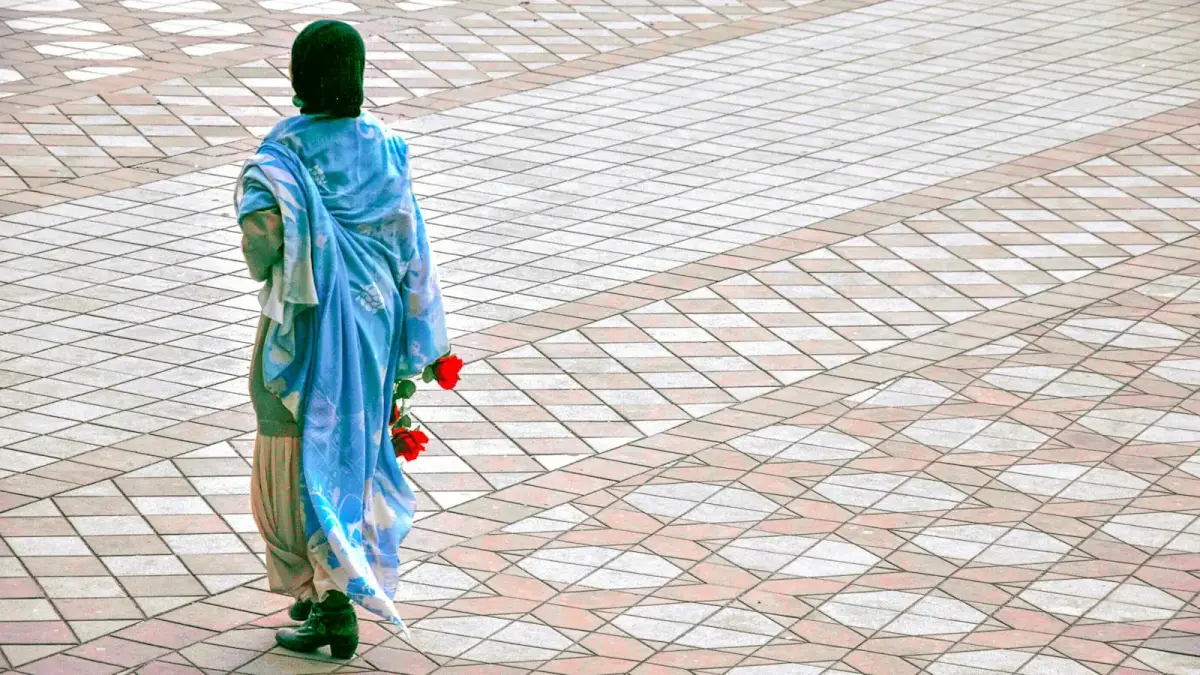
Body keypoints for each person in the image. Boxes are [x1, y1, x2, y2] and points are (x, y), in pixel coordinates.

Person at [236, 19, 448, 659]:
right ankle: (336, 590)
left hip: (305, 330)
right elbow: (411, 247)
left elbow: (261, 242)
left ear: (299, 75)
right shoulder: (386, 148)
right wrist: (421, 336)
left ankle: (323, 602)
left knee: (291, 444)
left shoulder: (281, 157)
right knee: (351, 446)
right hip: (373, 323)